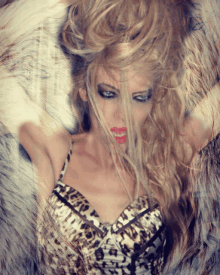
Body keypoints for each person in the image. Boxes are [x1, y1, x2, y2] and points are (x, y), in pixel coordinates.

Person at [1, 0, 220, 274]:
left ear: (155, 100)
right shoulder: (54, 149)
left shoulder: (169, 156)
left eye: (139, 98)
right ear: (84, 88)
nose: (122, 115)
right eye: (109, 93)